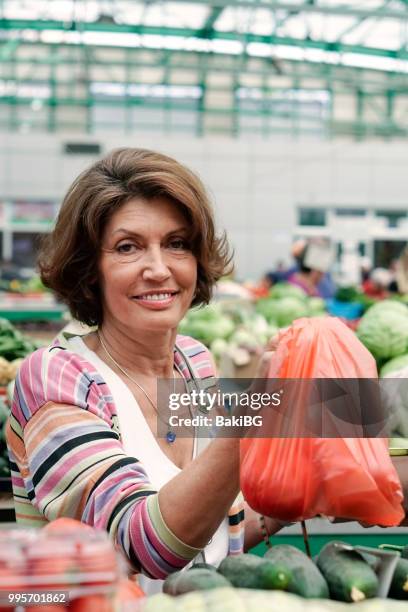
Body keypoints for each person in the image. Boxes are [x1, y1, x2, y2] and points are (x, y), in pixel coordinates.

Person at [6, 148, 280, 594]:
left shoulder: (192, 362)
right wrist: (256, 417)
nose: (158, 269)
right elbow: (143, 547)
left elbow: (209, 539)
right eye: (128, 247)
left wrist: (303, 491)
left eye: (177, 243)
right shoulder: (57, 377)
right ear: (90, 269)